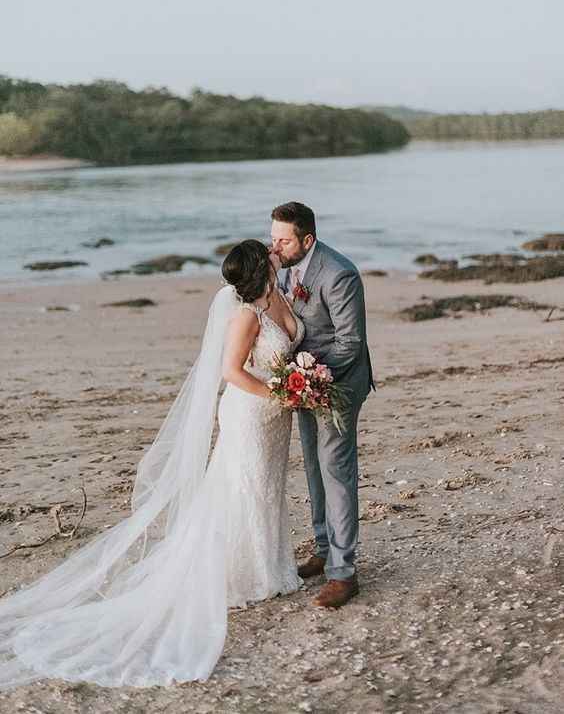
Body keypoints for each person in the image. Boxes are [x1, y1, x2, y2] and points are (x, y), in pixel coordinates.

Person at [0, 240, 304, 688]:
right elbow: (231, 373)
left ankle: (271, 566)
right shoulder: (245, 316)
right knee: (243, 488)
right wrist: (282, 394)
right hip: (251, 414)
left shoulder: (277, 295)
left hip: (274, 418)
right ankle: (246, 575)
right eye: (270, 251)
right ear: (262, 268)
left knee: (266, 488)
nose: (276, 250)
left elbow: (288, 330)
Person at [271, 202, 375, 609]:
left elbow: (350, 343)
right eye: (273, 237)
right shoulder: (286, 267)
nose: (274, 247)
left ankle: (344, 573)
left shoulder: (339, 273)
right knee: (314, 466)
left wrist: (312, 377)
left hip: (340, 384)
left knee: (336, 468)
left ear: (307, 239)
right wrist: (296, 379)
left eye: (282, 240)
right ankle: (322, 548)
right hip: (304, 382)